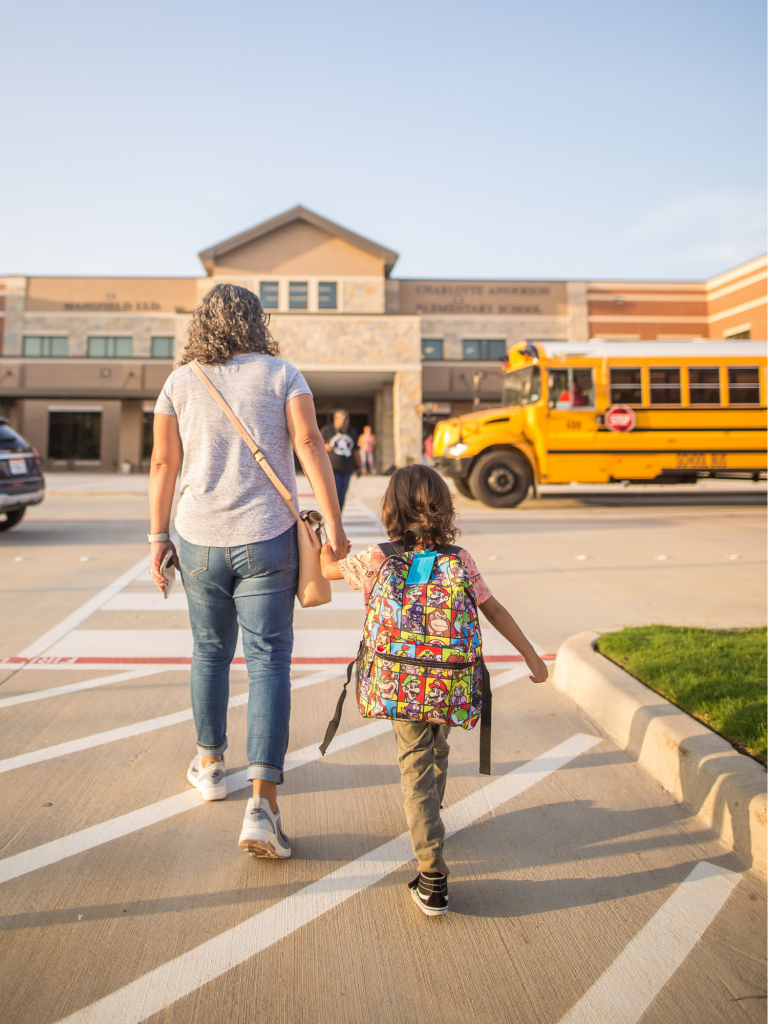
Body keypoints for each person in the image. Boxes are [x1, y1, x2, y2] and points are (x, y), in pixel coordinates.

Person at [148, 283, 347, 859]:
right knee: (268, 663)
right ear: (257, 321)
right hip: (268, 539)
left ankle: (210, 765)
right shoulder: (283, 373)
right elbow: (309, 442)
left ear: (202, 324)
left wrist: (158, 538)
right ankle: (262, 807)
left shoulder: (179, 381)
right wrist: (332, 525)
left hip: (199, 539)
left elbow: (164, 462)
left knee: (209, 651)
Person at [319, 464, 548, 914]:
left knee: (415, 765)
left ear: (391, 508)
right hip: (448, 681)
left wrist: (318, 541)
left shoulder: (379, 558)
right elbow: (494, 609)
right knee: (436, 749)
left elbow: (327, 569)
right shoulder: (459, 559)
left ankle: (431, 871)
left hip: (400, 682)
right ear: (444, 508)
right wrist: (531, 655)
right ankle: (431, 820)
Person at [321, 409, 359, 510]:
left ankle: (339, 516)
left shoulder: (352, 431)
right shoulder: (327, 430)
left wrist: (359, 466)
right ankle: (331, 516)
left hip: (347, 468)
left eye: (346, 418)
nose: (344, 420)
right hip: (332, 468)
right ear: (335, 419)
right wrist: (325, 446)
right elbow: (317, 444)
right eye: (342, 418)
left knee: (342, 494)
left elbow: (356, 450)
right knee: (334, 493)